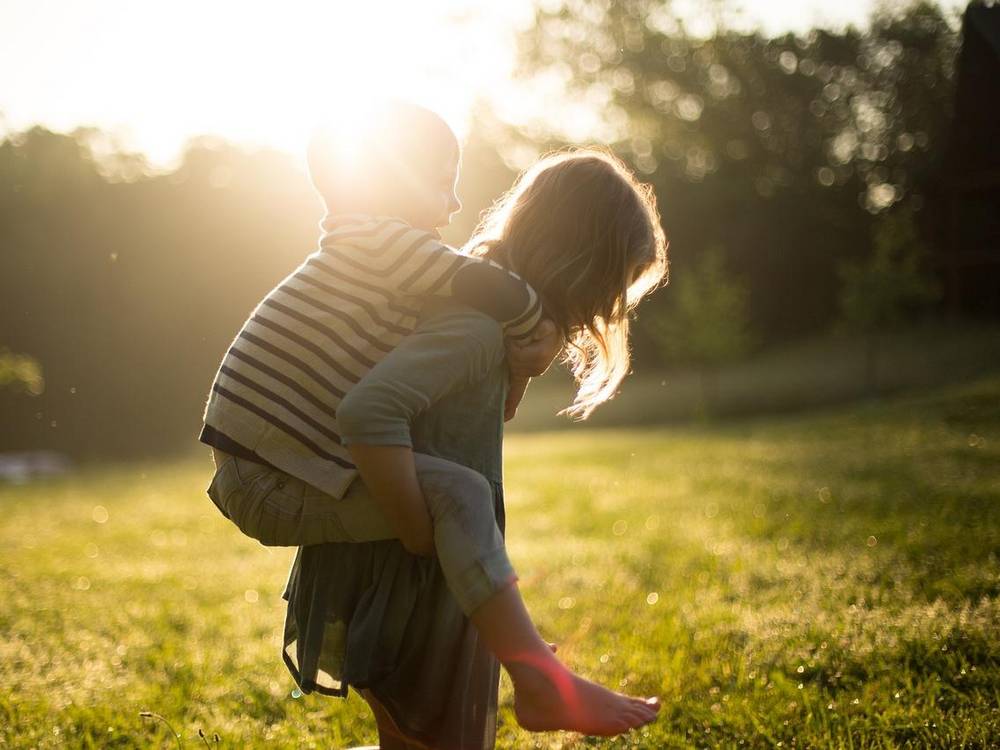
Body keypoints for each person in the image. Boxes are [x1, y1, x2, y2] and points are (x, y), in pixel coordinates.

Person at [281, 148, 670, 748]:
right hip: (407, 570)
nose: (607, 308)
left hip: (427, 563)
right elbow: (368, 411)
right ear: (578, 264)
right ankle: (542, 683)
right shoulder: (475, 328)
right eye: (612, 286)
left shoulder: (489, 322)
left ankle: (537, 678)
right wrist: (415, 531)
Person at [200, 100, 561, 551]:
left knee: (457, 495)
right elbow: (495, 288)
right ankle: (472, 603)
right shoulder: (383, 244)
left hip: (262, 467)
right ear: (392, 184)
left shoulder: (364, 249)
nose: (456, 202)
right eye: (443, 183)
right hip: (271, 479)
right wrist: (541, 336)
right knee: (463, 499)